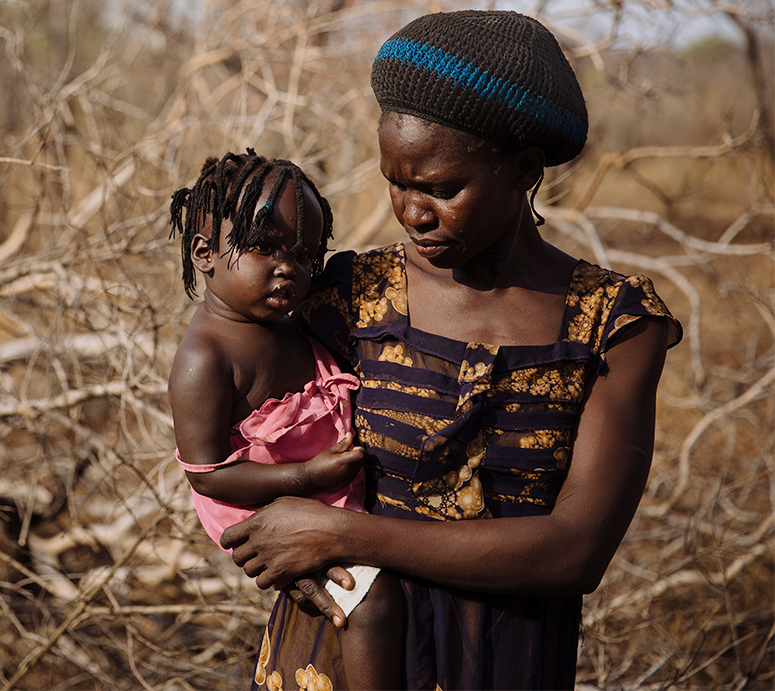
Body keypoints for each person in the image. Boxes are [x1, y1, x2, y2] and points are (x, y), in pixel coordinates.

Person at [219, 10, 684, 690]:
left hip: (499, 665)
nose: (411, 212)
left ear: (523, 170)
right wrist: (272, 531)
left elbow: (576, 550)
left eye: (441, 188)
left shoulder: (613, 326)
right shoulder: (349, 297)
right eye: (396, 182)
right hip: (334, 660)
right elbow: (232, 426)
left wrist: (342, 535)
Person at [168, 149, 404, 689]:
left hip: (317, 489)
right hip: (256, 503)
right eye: (264, 248)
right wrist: (305, 478)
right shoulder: (205, 358)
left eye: (303, 255)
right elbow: (207, 475)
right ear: (204, 253)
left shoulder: (294, 323)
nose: (287, 269)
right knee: (370, 603)